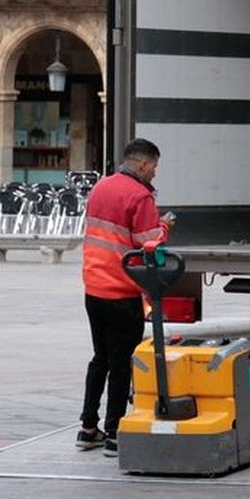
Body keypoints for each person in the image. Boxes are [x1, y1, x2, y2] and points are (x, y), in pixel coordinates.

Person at [76, 138, 175, 457]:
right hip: (122, 290)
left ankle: (88, 427)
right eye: (155, 167)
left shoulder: (101, 187)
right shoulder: (139, 195)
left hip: (94, 287)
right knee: (121, 364)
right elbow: (148, 244)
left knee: (100, 358)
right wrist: (165, 226)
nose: (155, 174)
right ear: (144, 164)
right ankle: (115, 433)